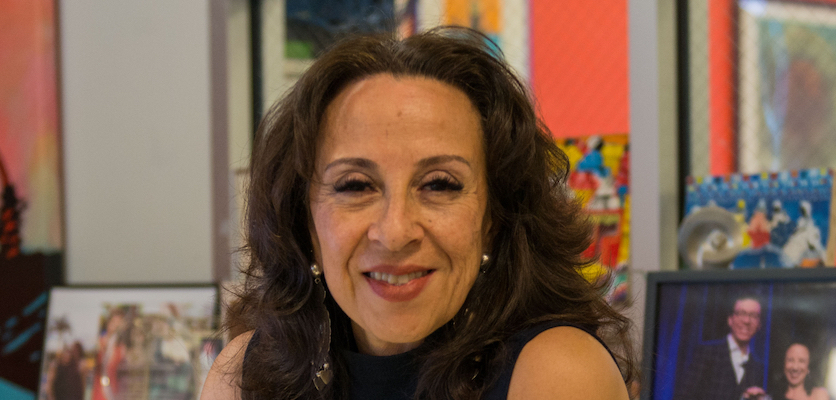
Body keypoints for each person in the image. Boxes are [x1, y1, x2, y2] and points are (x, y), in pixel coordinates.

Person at [200, 27, 632, 400]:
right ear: (304, 223)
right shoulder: (244, 377)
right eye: (355, 186)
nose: (394, 232)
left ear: (493, 220)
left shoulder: (557, 373)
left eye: (439, 184)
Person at [677, 296, 767, 400]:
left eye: (753, 316)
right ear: (730, 319)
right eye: (741, 313)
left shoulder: (758, 366)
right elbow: (684, 396)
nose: (746, 321)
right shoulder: (707, 352)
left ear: (759, 324)